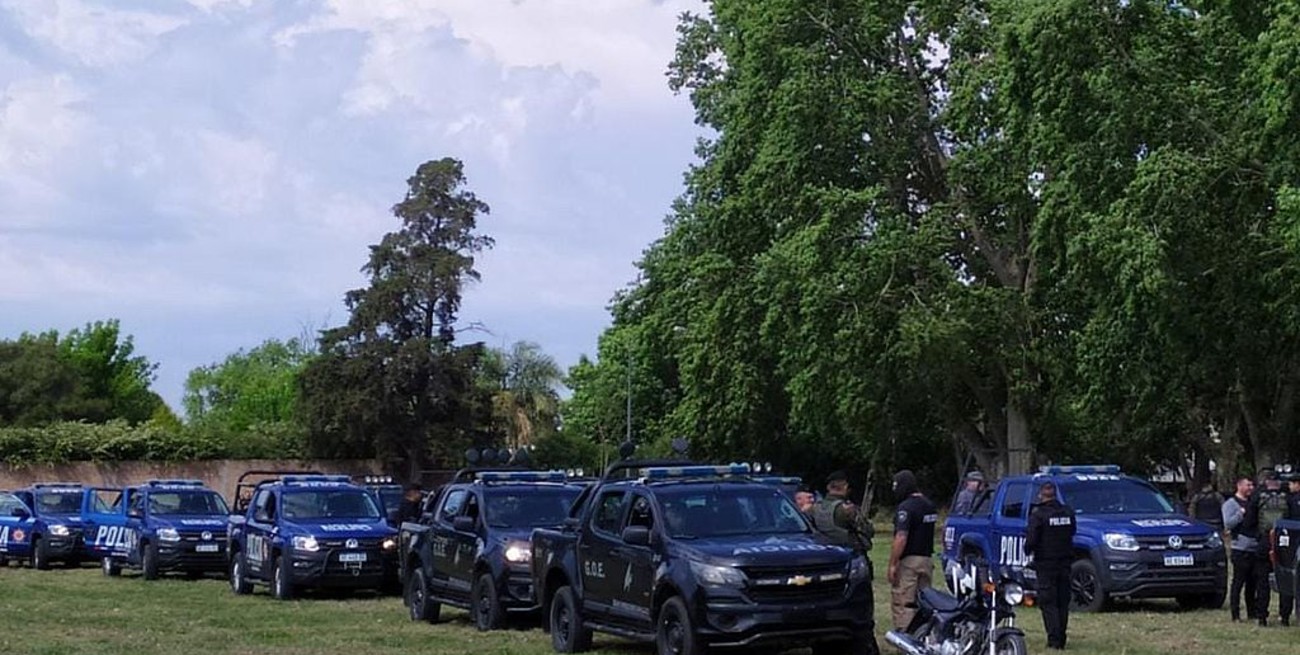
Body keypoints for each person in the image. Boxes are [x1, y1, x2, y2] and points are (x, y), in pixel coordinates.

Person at [808, 471, 880, 654]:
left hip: (823, 563)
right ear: (843, 487)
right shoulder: (847, 510)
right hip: (850, 562)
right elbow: (868, 530)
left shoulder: (814, 509)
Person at [1025, 482, 1076, 650]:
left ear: (1041, 495)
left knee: (1049, 603)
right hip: (1065, 562)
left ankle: (1054, 641)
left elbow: (1032, 539)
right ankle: (1061, 638)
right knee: (1062, 602)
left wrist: (1027, 550)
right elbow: (1072, 532)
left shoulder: (1039, 514)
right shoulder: (1068, 512)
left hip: (1046, 563)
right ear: (1055, 494)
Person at [887, 469, 937, 631]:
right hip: (927, 560)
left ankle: (906, 637)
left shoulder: (906, 508)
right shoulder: (929, 505)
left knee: (905, 602)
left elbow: (901, 537)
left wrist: (893, 564)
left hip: (909, 562)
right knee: (925, 601)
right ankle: (924, 634)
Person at [1251, 469, 1288, 626]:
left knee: (1262, 581)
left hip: (1264, 541)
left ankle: (1262, 617)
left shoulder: (1258, 496)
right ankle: (1284, 616)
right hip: (1283, 541)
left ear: (1266, 482)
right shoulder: (1287, 497)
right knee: (1285, 579)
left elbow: (1250, 520)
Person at [1223, 476, 1262, 622]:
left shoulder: (1253, 502)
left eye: (1252, 485)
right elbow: (1228, 523)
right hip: (1240, 548)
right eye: (1248, 485)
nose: (1251, 488)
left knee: (1253, 582)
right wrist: (1240, 514)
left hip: (1254, 547)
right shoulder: (1230, 504)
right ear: (1239, 486)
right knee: (1238, 582)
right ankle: (1235, 614)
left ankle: (1252, 612)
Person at [1277, 472, 1300, 627]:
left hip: (1292, 544)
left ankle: (1285, 615)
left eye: (1291, 483)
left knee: (1288, 576)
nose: (1289, 486)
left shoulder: (1290, 501)